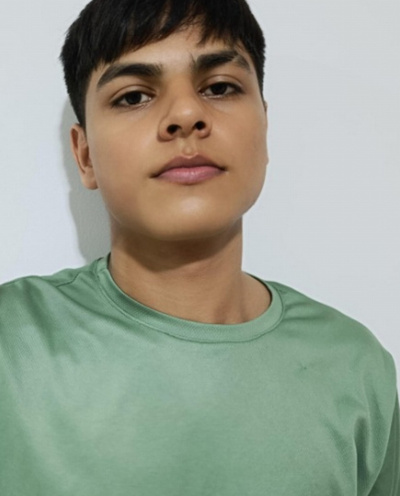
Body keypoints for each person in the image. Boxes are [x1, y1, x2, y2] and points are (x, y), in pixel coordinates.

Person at [0, 0, 398, 494]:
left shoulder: (355, 368)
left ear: (265, 126)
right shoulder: (12, 345)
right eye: (133, 96)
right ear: (84, 156)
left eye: (219, 87)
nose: (186, 114)